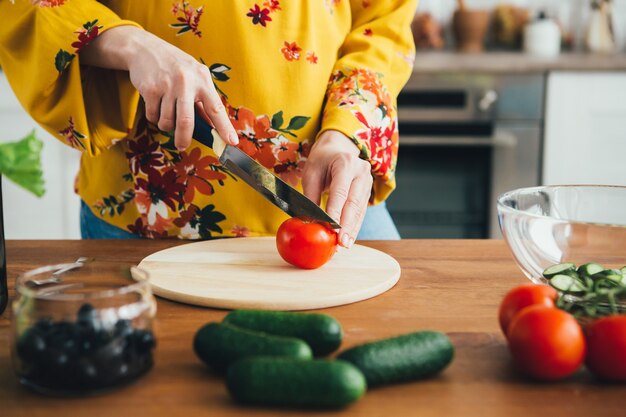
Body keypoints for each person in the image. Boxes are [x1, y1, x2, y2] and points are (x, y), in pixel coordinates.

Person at [0, 0, 417, 247]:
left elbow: (384, 21)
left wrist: (345, 131)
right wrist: (130, 43)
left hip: (328, 197)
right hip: (145, 206)